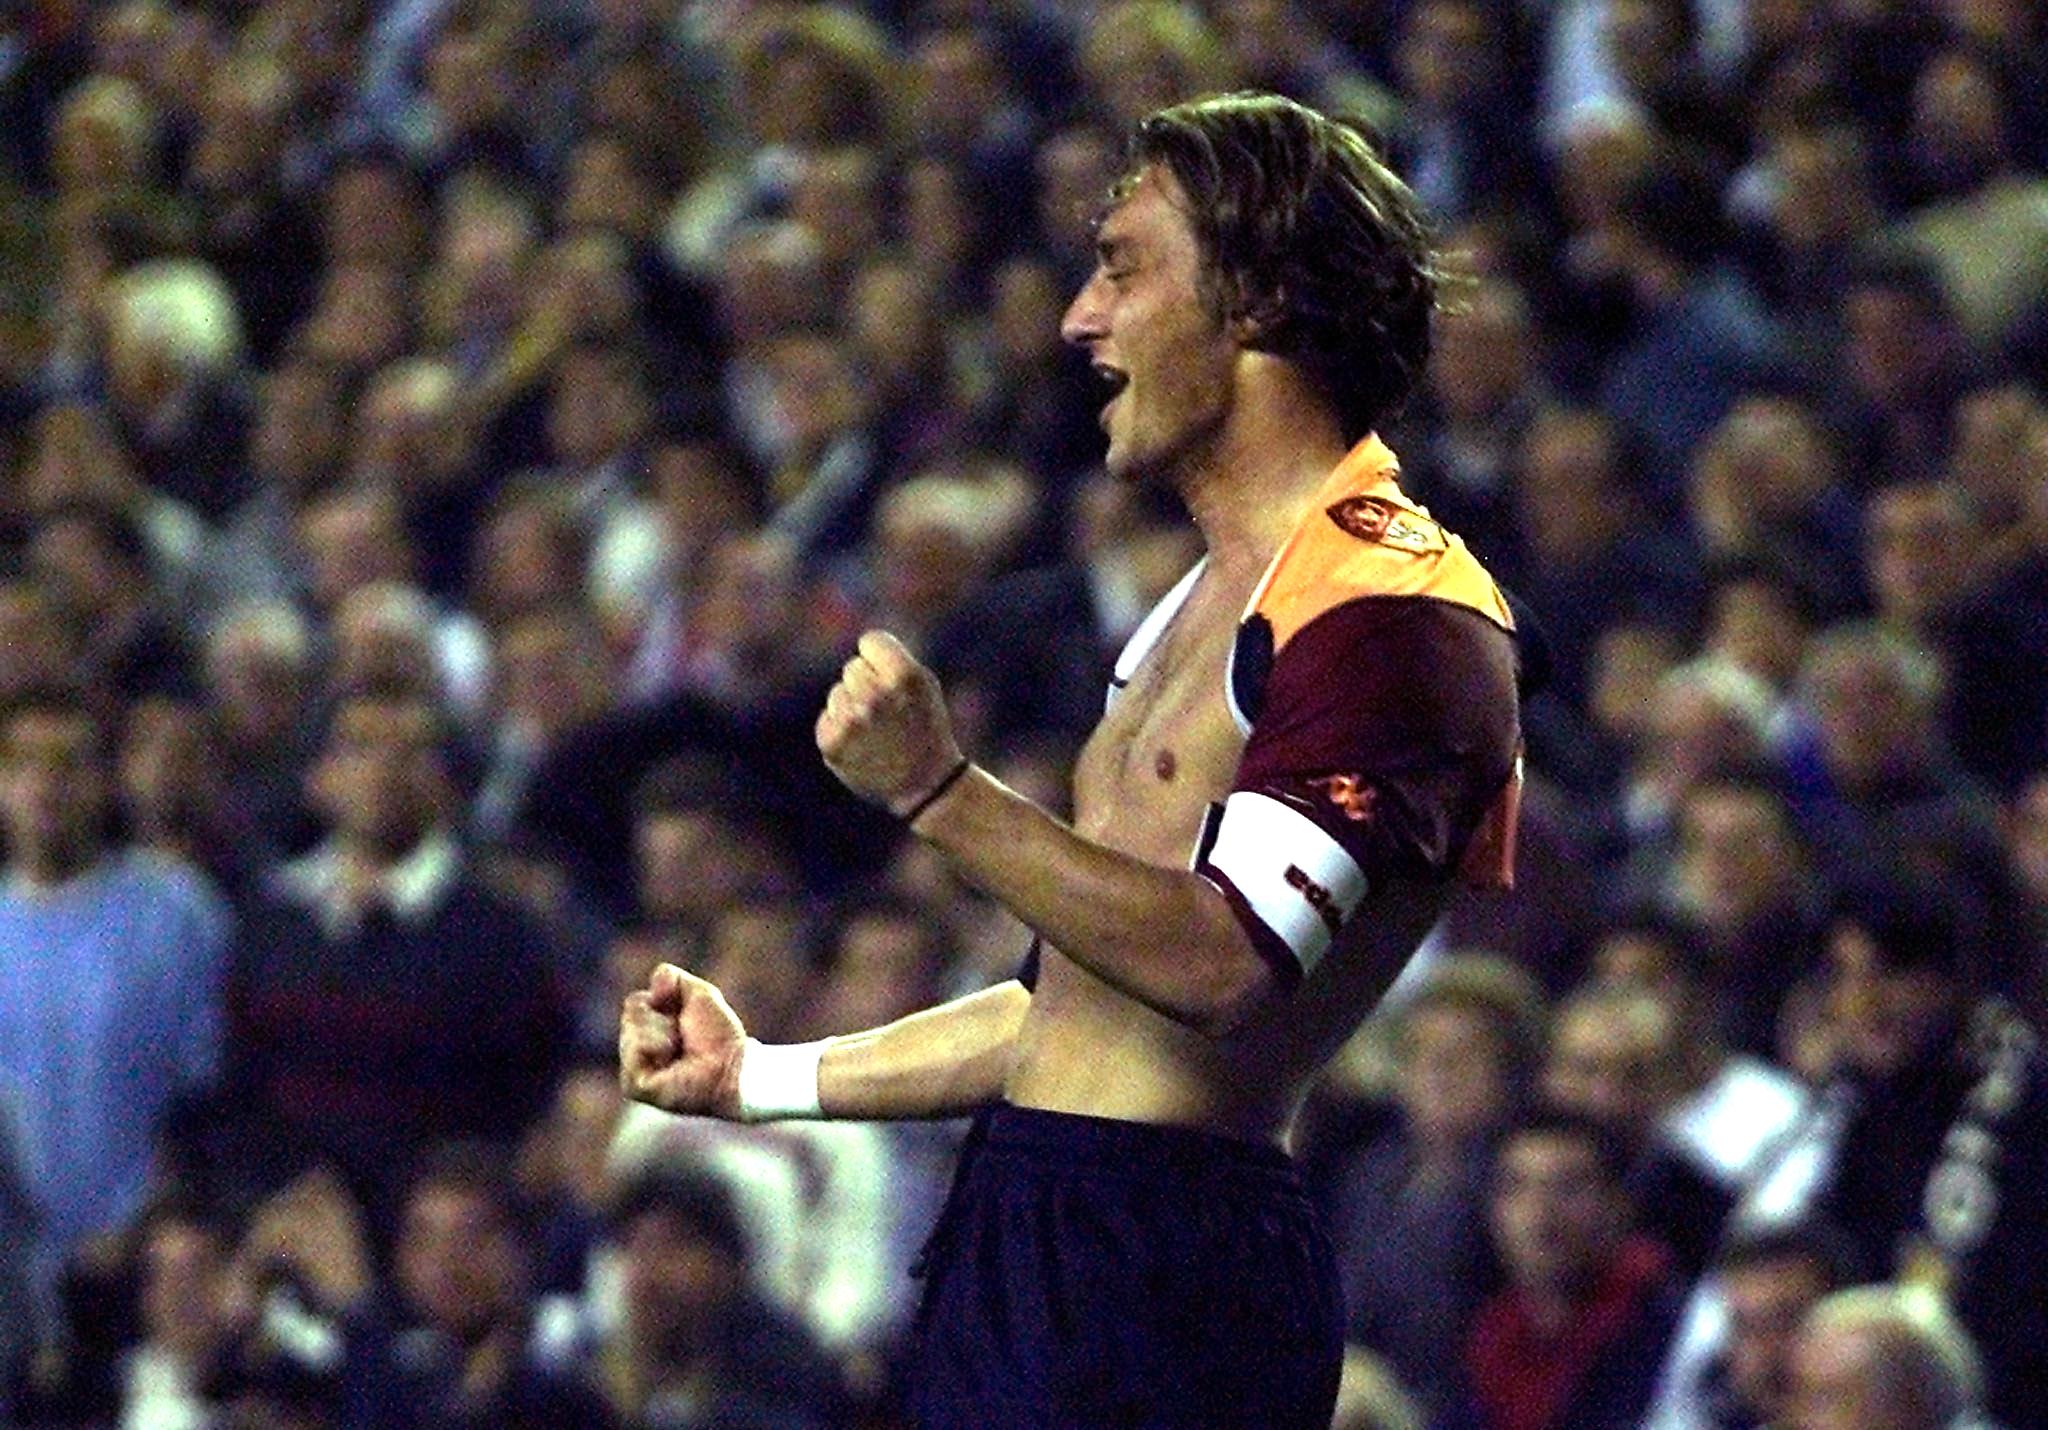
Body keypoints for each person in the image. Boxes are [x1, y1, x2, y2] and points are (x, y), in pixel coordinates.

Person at [622, 92, 1525, 1426]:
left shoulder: (1398, 610)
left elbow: (1222, 962)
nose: (1078, 319)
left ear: (1261, 295)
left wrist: (941, 791)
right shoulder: (1190, 606)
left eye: (1122, 265)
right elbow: (1066, 1014)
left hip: (1166, 1262)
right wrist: (762, 1075)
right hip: (1037, 1223)